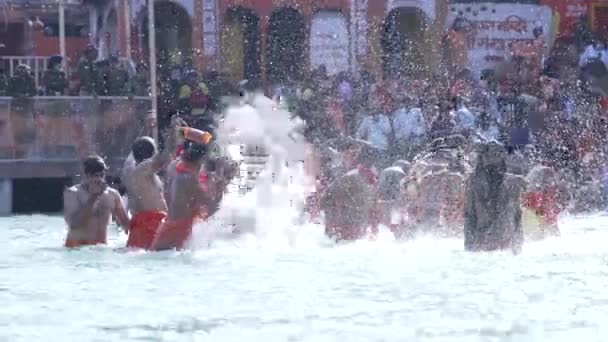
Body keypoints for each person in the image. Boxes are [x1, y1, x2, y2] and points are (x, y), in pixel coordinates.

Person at [149, 140, 236, 251]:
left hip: (166, 229)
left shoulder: (173, 165)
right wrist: (221, 181)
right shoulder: (188, 179)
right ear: (201, 160)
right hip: (179, 233)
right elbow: (210, 209)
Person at [121, 114, 183, 249]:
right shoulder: (143, 169)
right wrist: (173, 133)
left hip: (138, 230)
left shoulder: (129, 168)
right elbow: (165, 157)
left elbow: (135, 149)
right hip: (152, 227)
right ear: (152, 154)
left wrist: (146, 128)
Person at [464, 141, 526, 253]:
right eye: (492, 154)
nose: (496, 157)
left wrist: (518, 242)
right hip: (484, 240)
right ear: (484, 157)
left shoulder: (512, 182)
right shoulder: (473, 181)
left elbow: (517, 215)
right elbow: (469, 215)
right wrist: (469, 245)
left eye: (499, 154)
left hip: (502, 240)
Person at [63, 156, 130, 248]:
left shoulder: (112, 194)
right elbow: (73, 224)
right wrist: (94, 197)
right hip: (77, 250)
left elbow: (126, 225)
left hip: (101, 250)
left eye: (101, 175)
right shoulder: (73, 193)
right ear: (86, 176)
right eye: (95, 175)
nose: (99, 179)